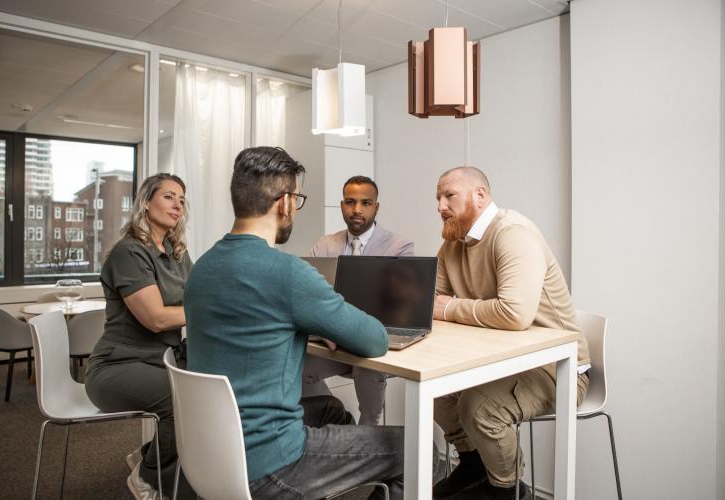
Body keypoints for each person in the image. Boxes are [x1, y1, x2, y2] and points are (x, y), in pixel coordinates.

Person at [184, 147, 405, 499]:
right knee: (415, 447)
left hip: (212, 452)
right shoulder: (287, 272)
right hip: (271, 463)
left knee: (332, 408)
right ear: (285, 203)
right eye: (297, 200)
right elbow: (376, 340)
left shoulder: (202, 268)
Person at [430, 167, 591, 500]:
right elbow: (432, 304)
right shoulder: (451, 245)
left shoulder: (513, 233)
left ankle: (507, 489)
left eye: (449, 196)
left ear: (480, 195)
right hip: (502, 360)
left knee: (479, 407)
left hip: (558, 368)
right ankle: (474, 465)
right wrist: (442, 308)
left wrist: (449, 308)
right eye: (437, 198)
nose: (440, 206)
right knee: (438, 394)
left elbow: (514, 314)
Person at [85, 173, 194, 500]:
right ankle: (147, 477)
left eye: (181, 200)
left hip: (160, 361)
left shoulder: (177, 251)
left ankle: (148, 454)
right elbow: (157, 318)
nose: (177, 206)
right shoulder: (129, 252)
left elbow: (198, 296)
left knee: (212, 393)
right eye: (169, 197)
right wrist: (209, 312)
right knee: (184, 402)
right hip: (117, 366)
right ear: (146, 202)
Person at [304, 175, 414, 424]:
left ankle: (368, 428)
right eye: (350, 202)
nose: (357, 210)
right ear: (342, 205)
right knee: (298, 366)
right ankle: (339, 419)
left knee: (368, 363)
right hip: (332, 341)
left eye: (366, 203)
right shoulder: (325, 244)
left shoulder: (399, 247)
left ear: (376, 207)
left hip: (372, 341)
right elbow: (307, 293)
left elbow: (401, 303)